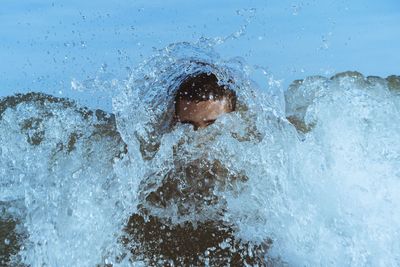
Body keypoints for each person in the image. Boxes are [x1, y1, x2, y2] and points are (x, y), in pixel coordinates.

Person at [123, 72, 270, 266]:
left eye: (211, 125)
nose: (198, 138)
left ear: (234, 121)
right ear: (175, 121)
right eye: (188, 125)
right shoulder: (157, 166)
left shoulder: (256, 166)